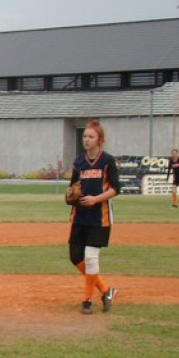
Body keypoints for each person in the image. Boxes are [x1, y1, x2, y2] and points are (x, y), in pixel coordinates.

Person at [68, 118, 120, 315]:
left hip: (100, 217)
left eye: (91, 136)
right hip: (79, 217)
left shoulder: (107, 161)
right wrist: (71, 195)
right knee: (75, 257)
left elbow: (116, 189)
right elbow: (73, 186)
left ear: (100, 140)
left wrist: (96, 199)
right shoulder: (79, 162)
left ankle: (87, 301)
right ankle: (106, 290)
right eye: (85, 136)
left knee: (90, 257)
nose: (86, 140)